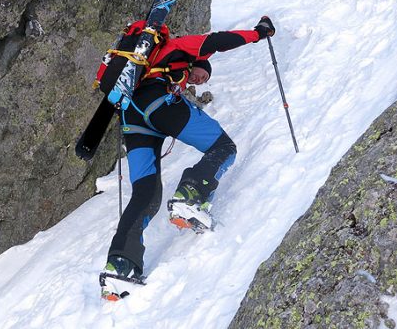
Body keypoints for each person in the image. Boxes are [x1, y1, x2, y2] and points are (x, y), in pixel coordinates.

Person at [100, 15, 276, 299]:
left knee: (146, 192)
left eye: (203, 79)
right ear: (197, 62)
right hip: (157, 104)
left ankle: (120, 266)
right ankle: (190, 195)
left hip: (133, 120)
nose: (199, 78)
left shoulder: (153, 68)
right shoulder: (181, 47)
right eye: (201, 73)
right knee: (224, 147)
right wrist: (257, 34)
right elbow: (218, 40)